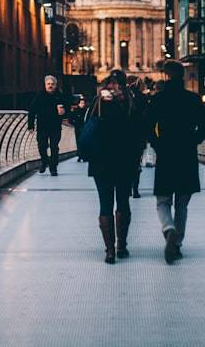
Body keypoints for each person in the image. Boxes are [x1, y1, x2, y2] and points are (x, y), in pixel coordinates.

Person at [147, 60, 205, 264]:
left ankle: (169, 229)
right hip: (187, 155)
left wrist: (157, 144)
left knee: (163, 200)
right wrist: (192, 141)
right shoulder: (193, 100)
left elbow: (147, 126)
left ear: (166, 76)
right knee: (182, 204)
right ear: (182, 75)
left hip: (166, 154)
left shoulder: (158, 99)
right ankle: (177, 244)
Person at [87, 69, 143, 264]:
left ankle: (109, 251)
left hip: (101, 161)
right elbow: (140, 132)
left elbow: (87, 128)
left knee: (105, 204)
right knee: (123, 202)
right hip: (125, 161)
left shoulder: (98, 103)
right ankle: (122, 246)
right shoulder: (130, 102)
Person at [26, 75, 68, 176]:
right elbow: (32, 111)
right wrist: (30, 125)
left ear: (55, 85)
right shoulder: (39, 96)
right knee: (42, 146)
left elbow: (67, 109)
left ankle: (53, 168)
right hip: (42, 126)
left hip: (55, 126)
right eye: (48, 84)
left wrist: (64, 113)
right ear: (45, 85)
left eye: (52, 84)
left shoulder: (60, 96)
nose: (50, 86)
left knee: (54, 147)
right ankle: (45, 161)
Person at [127, 76, 150, 198]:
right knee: (137, 162)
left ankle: (127, 187)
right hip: (139, 136)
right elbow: (147, 117)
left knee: (126, 162)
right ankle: (135, 189)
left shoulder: (123, 97)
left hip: (124, 136)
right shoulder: (143, 98)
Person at [69, 95, 88, 162]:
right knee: (79, 142)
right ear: (78, 104)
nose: (83, 104)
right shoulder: (75, 111)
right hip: (78, 128)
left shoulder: (87, 111)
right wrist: (75, 124)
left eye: (84, 103)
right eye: (81, 103)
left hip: (85, 129)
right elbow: (70, 120)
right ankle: (80, 155)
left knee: (85, 142)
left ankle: (83, 155)